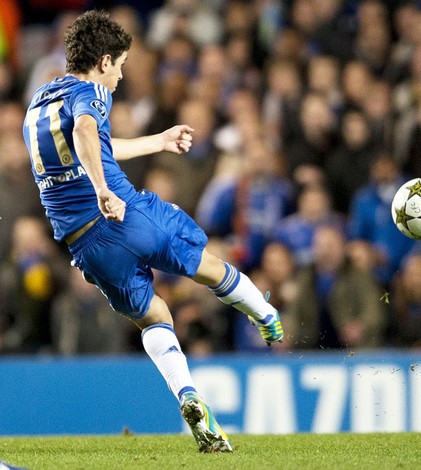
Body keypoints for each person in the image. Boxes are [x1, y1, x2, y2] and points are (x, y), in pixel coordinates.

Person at [21, 10, 283, 454]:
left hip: (85, 245)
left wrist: (157, 142)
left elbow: (94, 147)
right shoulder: (91, 93)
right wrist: (103, 189)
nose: (122, 75)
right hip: (124, 214)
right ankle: (265, 315)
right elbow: (88, 130)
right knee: (204, 263)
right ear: (103, 61)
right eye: (120, 64)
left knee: (155, 315)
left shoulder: (40, 101)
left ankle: (188, 396)